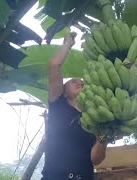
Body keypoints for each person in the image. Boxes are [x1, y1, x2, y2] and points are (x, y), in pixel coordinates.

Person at [41, 33, 108, 180]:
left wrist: (102, 138)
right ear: (64, 91)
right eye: (73, 81)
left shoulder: (94, 118)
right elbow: (54, 66)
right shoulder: (58, 104)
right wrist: (67, 44)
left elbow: (96, 160)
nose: (80, 82)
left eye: (82, 82)